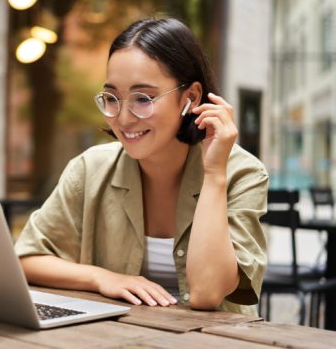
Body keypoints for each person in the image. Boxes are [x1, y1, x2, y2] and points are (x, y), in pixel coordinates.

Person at [14, 17, 268, 316]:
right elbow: (25, 258)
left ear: (191, 97)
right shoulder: (90, 169)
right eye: (112, 98)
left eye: (143, 98)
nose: (122, 119)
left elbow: (206, 293)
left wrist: (213, 175)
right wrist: (103, 278)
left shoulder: (242, 173)